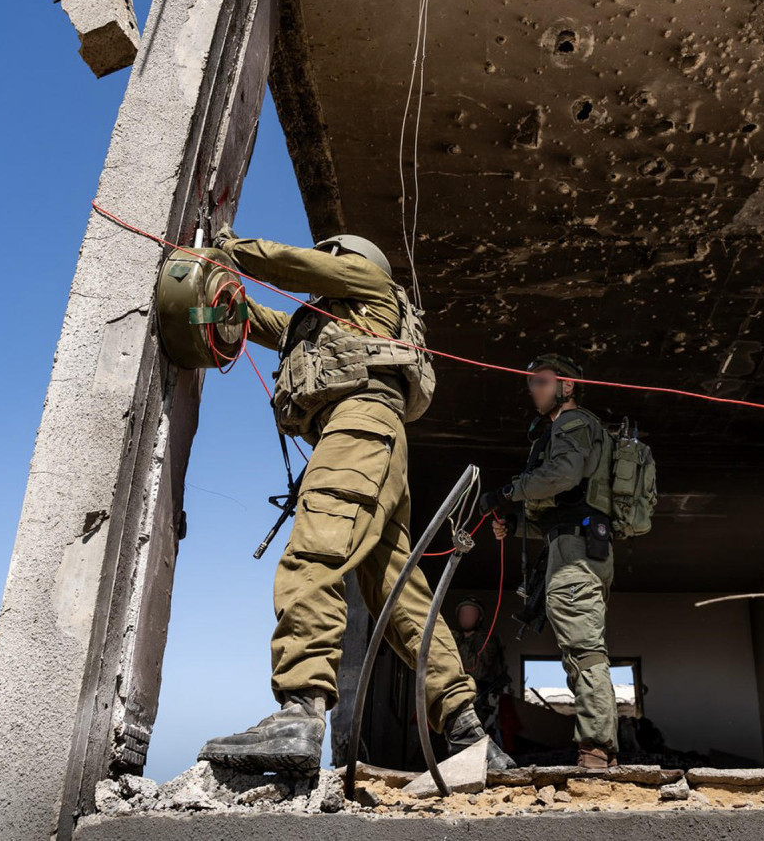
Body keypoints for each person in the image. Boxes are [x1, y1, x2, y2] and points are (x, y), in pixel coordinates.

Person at [196, 227, 515, 774]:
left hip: (357, 428)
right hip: (374, 438)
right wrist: (226, 299)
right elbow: (269, 322)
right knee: (399, 592)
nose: (322, 277)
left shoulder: (370, 283)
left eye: (330, 263)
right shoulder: (334, 320)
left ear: (345, 261)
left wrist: (227, 249)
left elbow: (294, 268)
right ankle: (467, 731)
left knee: (316, 551)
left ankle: (300, 711)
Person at [480, 354, 619, 769]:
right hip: (576, 542)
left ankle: (596, 748)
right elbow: (567, 506)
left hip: (578, 551)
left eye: (540, 381)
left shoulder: (572, 424)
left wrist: (508, 493)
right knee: (581, 644)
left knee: (583, 646)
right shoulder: (572, 428)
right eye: (530, 383)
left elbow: (562, 476)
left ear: (567, 386)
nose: (533, 390)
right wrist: (516, 522)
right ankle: (601, 749)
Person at [451, 596, 510, 736]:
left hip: (476, 705)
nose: (466, 617)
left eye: (471, 613)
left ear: (479, 618)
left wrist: (457, 643)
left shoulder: (486, 640)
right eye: (463, 613)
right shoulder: (455, 638)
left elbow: (478, 670)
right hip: (454, 702)